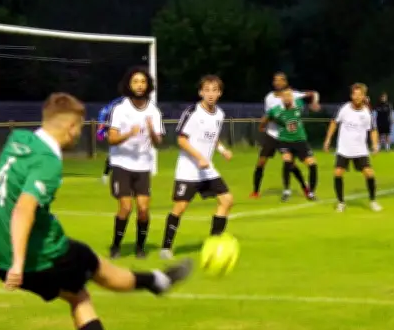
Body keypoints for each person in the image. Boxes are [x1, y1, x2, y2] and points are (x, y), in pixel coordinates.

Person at [0, 92, 192, 330]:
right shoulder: (49, 164)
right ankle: (153, 287)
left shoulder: (18, 139)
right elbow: (22, 210)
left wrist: (12, 264)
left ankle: (154, 285)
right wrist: (19, 263)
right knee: (86, 282)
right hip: (34, 254)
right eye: (80, 127)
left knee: (74, 287)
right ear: (70, 127)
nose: (80, 134)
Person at [159, 75, 234, 259]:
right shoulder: (192, 111)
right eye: (206, 90)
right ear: (200, 92)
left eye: (214, 90)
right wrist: (199, 157)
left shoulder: (220, 114)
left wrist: (222, 150)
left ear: (219, 93)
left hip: (207, 169)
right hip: (188, 169)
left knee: (226, 200)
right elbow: (181, 139)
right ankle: (166, 248)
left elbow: (213, 136)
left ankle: (214, 243)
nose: (210, 94)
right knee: (180, 208)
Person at [106, 67, 164, 259]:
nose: (139, 85)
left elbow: (158, 142)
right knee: (125, 207)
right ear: (128, 85)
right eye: (135, 82)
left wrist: (152, 131)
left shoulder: (153, 111)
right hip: (122, 164)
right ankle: (116, 246)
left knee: (144, 209)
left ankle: (140, 248)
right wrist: (129, 134)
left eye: (143, 81)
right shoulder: (120, 109)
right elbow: (111, 138)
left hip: (143, 166)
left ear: (148, 85)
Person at [251, 72, 319, 198]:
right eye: (275, 80)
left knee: (291, 164)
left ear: (285, 82)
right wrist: (265, 124)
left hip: (288, 136)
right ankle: (255, 191)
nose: (278, 82)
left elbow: (313, 94)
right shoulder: (269, 98)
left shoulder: (294, 95)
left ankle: (304, 187)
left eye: (281, 80)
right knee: (261, 161)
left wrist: (314, 103)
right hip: (272, 134)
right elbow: (268, 115)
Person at [323, 83, 381, 212]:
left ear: (364, 96)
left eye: (360, 95)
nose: (357, 97)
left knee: (369, 174)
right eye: (355, 94)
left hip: (360, 149)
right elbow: (334, 123)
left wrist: (375, 144)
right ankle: (341, 202)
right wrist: (328, 139)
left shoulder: (367, 113)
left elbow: (373, 130)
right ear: (351, 95)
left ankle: (373, 201)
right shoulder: (344, 109)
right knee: (338, 173)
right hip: (344, 148)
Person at [96, 94, 125, 184]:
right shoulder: (119, 102)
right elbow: (104, 111)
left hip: (126, 132)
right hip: (119, 131)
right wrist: (101, 129)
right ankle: (107, 177)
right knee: (114, 154)